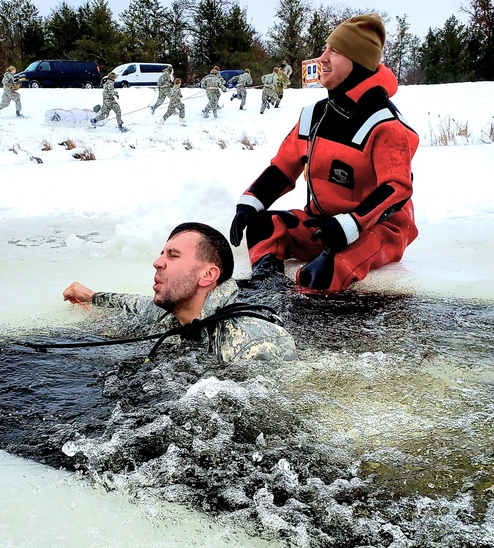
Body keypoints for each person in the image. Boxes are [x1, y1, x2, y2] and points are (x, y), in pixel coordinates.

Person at [229, 14, 419, 293]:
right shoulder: (314, 115)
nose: (322, 58)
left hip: (377, 229)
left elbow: (397, 189)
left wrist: (349, 225)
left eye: (336, 51)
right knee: (262, 226)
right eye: (325, 49)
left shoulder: (386, 125)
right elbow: (283, 166)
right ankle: (266, 287)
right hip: (323, 225)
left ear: (358, 63)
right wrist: (251, 203)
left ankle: (315, 323)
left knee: (323, 275)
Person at [62, 223, 296, 364]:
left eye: (173, 256)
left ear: (208, 275)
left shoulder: (255, 343)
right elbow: (134, 303)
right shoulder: (176, 312)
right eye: (161, 254)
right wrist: (91, 296)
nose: (157, 262)